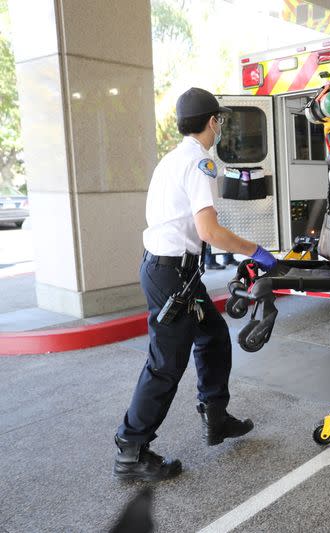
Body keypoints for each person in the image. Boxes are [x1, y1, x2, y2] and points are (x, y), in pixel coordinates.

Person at [113, 88, 278, 481]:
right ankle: (131, 450)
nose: (219, 126)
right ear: (212, 122)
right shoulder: (200, 163)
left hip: (175, 273)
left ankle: (215, 416)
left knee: (213, 335)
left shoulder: (173, 159)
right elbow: (210, 231)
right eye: (219, 120)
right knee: (165, 363)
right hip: (172, 275)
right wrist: (257, 252)